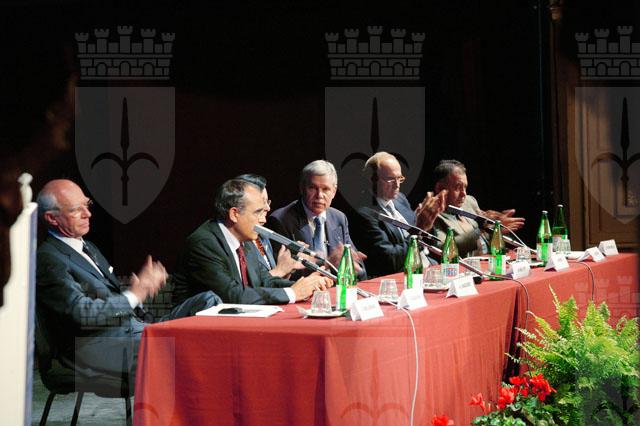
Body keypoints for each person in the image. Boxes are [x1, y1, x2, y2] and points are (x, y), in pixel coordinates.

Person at [35, 179, 220, 381]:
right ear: (52, 218)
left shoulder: (88, 247)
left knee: (208, 301)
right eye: (75, 210)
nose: (87, 214)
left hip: (133, 330)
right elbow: (81, 313)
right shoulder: (49, 259)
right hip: (97, 348)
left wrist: (139, 291)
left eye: (86, 205)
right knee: (190, 346)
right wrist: (134, 295)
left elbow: (110, 298)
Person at [171, 177, 332, 306]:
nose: (264, 219)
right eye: (257, 212)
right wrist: (293, 293)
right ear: (234, 214)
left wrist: (306, 285)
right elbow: (233, 295)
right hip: (190, 327)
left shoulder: (245, 239)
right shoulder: (204, 243)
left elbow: (263, 281)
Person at [266, 160, 367, 280]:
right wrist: (328, 263)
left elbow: (355, 262)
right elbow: (283, 274)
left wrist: (352, 262)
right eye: (313, 188)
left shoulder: (339, 218)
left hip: (335, 287)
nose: (319, 195)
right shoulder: (281, 220)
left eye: (325, 189)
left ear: (334, 191)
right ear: (302, 188)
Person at [352, 152, 447, 277]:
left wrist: (428, 224)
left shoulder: (400, 199)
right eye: (390, 179)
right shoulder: (363, 214)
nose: (397, 185)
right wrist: (419, 230)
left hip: (427, 265)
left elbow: (427, 242)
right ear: (372, 179)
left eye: (399, 178)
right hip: (402, 276)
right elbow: (389, 260)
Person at [432, 159, 525, 257]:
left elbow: (486, 234)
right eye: (458, 187)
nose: (464, 194)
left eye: (465, 187)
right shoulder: (431, 215)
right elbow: (441, 249)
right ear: (440, 188)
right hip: (464, 265)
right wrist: (483, 229)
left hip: (489, 260)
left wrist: (497, 229)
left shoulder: (469, 201)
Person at [235, 174, 306, 279]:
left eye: (267, 202)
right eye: (262, 202)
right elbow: (249, 286)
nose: (268, 208)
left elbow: (273, 282)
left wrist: (288, 267)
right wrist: (280, 270)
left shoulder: (263, 235)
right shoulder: (239, 241)